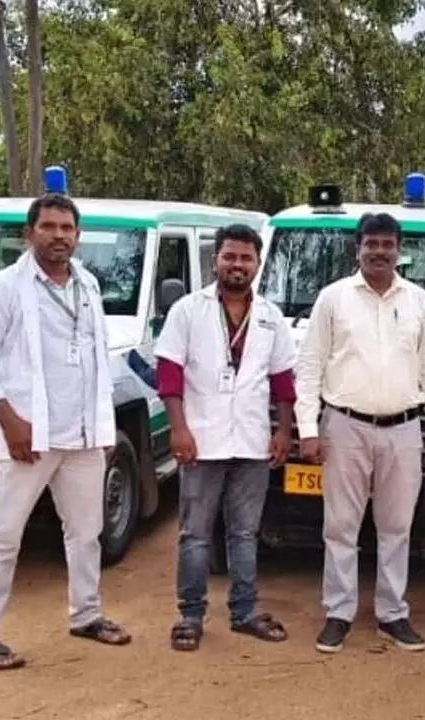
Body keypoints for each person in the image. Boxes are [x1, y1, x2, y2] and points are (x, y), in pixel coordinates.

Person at [0, 192, 130, 670]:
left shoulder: (88, 285)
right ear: (29, 233)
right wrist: (9, 422)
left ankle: (87, 614)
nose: (59, 236)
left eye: (67, 228)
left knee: (87, 532)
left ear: (77, 235)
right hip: (29, 435)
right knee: (2, 533)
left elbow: (95, 359)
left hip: (82, 435)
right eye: (48, 227)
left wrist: (103, 426)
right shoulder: (4, 287)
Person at [294, 211, 425, 654]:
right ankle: (339, 612)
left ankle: (392, 613)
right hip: (344, 425)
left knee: (397, 526)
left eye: (388, 244)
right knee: (340, 525)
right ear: (357, 247)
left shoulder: (417, 299)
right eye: (371, 244)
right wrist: (308, 428)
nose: (379, 252)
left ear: (400, 250)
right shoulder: (333, 298)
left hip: (403, 430)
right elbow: (309, 368)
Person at [154, 223, 297, 652]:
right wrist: (178, 429)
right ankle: (190, 615)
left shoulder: (271, 317)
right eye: (229, 256)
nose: (237, 265)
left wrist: (284, 430)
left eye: (246, 258)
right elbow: (168, 374)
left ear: (257, 263)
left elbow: (283, 381)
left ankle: (244, 611)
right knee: (195, 534)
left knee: (244, 534)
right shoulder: (187, 310)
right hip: (200, 438)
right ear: (215, 259)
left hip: (253, 441)